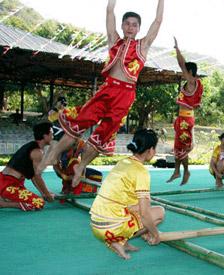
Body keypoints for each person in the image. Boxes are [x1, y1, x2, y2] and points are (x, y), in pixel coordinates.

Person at [36, 0, 165, 188]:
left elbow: (158, 21)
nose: (130, 27)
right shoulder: (114, 40)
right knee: (78, 123)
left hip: (125, 95)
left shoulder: (142, 46)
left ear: (138, 28)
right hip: (108, 89)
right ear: (122, 26)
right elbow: (110, 11)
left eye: (134, 25)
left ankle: (82, 167)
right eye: (127, 23)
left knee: (102, 135)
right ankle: (53, 155)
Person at [90, 129, 165, 260]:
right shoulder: (141, 171)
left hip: (95, 223)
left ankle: (120, 241)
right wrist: (156, 234)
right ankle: (118, 241)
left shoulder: (123, 162)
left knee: (142, 205)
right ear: (151, 150)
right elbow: (145, 214)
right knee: (159, 212)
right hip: (110, 227)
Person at [166, 37, 204, 186]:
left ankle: (186, 171)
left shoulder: (192, 82)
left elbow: (181, 63)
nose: (182, 72)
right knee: (177, 147)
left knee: (182, 147)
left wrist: (177, 50)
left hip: (186, 120)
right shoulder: (194, 82)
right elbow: (183, 65)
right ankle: (177, 171)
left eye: (184, 71)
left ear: (189, 72)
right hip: (181, 119)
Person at [0, 122, 55, 211]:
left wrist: (43, 193)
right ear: (45, 136)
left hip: (5, 181)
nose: (53, 136)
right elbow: (37, 177)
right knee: (38, 203)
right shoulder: (37, 152)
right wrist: (47, 194)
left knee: (37, 199)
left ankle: (5, 196)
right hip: (9, 185)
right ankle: (4, 203)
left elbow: (33, 176)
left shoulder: (32, 146)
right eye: (52, 134)